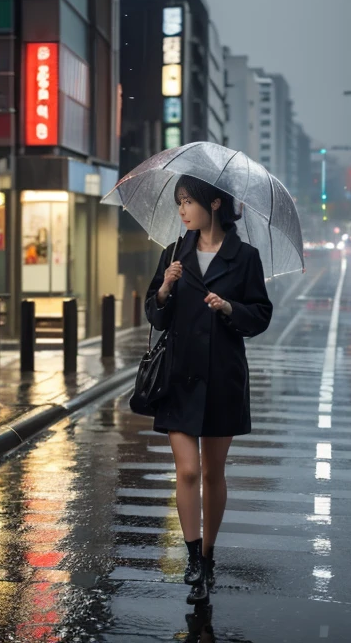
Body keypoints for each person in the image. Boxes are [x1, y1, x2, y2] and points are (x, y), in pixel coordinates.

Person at [145, 175, 273, 604]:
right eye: (179, 202)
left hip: (222, 378)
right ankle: (193, 557)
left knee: (213, 472)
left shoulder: (245, 257)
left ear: (214, 204)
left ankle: (210, 552)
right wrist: (165, 287)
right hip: (178, 378)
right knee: (187, 471)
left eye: (188, 202)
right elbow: (155, 314)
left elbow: (259, 315)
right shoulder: (174, 253)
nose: (181, 210)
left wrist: (228, 307)